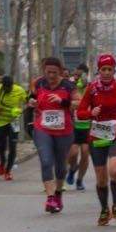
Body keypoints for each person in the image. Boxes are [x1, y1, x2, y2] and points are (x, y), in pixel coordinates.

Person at [75, 53, 116, 226]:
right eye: (104, 69)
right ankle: (105, 209)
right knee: (101, 178)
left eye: (110, 69)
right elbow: (80, 112)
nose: (107, 72)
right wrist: (90, 113)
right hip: (97, 136)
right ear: (99, 71)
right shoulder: (92, 89)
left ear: (114, 70)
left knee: (115, 171)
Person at [31, 57, 78, 214]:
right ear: (44, 70)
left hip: (64, 130)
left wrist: (62, 101)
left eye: (54, 72)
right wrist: (31, 102)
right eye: (48, 72)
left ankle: (58, 193)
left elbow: (78, 103)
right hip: (42, 127)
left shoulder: (68, 85)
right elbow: (31, 97)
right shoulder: (38, 83)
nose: (51, 76)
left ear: (60, 71)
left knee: (60, 165)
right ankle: (50, 198)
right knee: (46, 161)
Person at [0, 73, 27, 180]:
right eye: (5, 87)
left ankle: (8, 171)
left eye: (8, 87)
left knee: (13, 147)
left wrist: (21, 110)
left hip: (13, 122)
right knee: (1, 146)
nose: (7, 89)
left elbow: (27, 102)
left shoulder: (19, 90)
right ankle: (2, 161)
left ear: (12, 85)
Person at [68, 64, 92, 190]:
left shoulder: (91, 87)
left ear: (86, 75)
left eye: (80, 75)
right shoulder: (70, 86)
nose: (77, 77)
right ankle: (72, 169)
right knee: (72, 153)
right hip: (73, 125)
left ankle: (80, 180)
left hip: (87, 125)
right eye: (76, 75)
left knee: (84, 153)